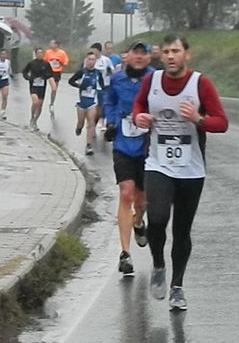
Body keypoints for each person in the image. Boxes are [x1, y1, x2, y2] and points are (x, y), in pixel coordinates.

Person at [133, 33, 228, 311]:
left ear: (187, 54)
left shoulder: (201, 84)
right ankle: (159, 265)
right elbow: (139, 106)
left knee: (182, 230)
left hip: (191, 169)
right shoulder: (151, 81)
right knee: (159, 218)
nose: (171, 56)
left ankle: (177, 286)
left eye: (176, 51)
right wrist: (139, 117)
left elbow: (221, 122)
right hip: (158, 163)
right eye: (166, 52)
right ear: (160, 56)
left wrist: (198, 119)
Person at [104, 41, 154, 275]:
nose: (139, 57)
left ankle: (138, 222)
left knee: (141, 200)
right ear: (128, 56)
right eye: (136, 53)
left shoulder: (155, 79)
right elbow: (109, 100)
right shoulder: (117, 79)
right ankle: (125, 253)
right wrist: (111, 122)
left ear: (148, 59)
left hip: (147, 145)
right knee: (126, 192)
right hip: (123, 142)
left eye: (144, 54)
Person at [68, 51, 105, 156]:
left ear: (95, 61)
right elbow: (70, 81)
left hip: (92, 102)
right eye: (89, 59)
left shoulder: (98, 73)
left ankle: (89, 145)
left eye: (93, 60)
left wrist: (104, 96)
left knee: (91, 123)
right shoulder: (81, 72)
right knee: (81, 123)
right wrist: (79, 86)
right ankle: (79, 127)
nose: (91, 62)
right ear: (86, 60)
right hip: (81, 103)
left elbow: (102, 86)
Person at [22, 47, 57, 131]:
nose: (40, 54)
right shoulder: (31, 63)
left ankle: (35, 121)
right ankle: (31, 118)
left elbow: (50, 74)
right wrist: (28, 77)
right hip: (33, 86)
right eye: (38, 53)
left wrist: (51, 82)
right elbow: (24, 72)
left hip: (42, 87)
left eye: (41, 53)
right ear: (36, 54)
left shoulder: (46, 64)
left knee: (40, 105)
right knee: (35, 102)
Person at [89, 42, 115, 129]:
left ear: (98, 51)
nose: (93, 53)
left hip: (104, 87)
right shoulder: (90, 60)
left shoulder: (106, 60)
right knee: (94, 107)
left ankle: (102, 120)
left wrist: (110, 73)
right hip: (93, 87)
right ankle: (92, 124)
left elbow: (112, 71)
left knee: (103, 105)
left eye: (94, 51)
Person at [43, 40, 70, 115]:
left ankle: (51, 103)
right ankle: (50, 103)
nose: (50, 45)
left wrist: (61, 62)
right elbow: (44, 61)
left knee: (54, 90)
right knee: (54, 88)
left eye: (52, 43)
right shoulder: (48, 52)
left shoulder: (62, 53)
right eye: (50, 43)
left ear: (56, 45)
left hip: (57, 72)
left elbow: (66, 62)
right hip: (50, 72)